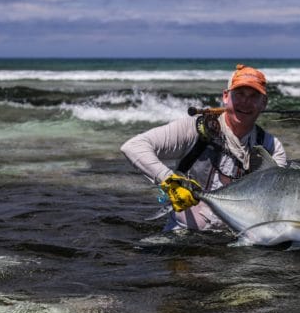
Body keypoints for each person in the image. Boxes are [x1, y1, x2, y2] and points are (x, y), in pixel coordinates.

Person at [120, 64, 287, 231]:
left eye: (254, 96)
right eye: (240, 94)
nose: (245, 102)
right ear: (226, 96)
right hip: (182, 236)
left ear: (263, 103)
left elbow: (277, 198)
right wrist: (169, 180)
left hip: (238, 241)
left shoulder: (271, 146)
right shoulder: (195, 129)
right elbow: (133, 146)